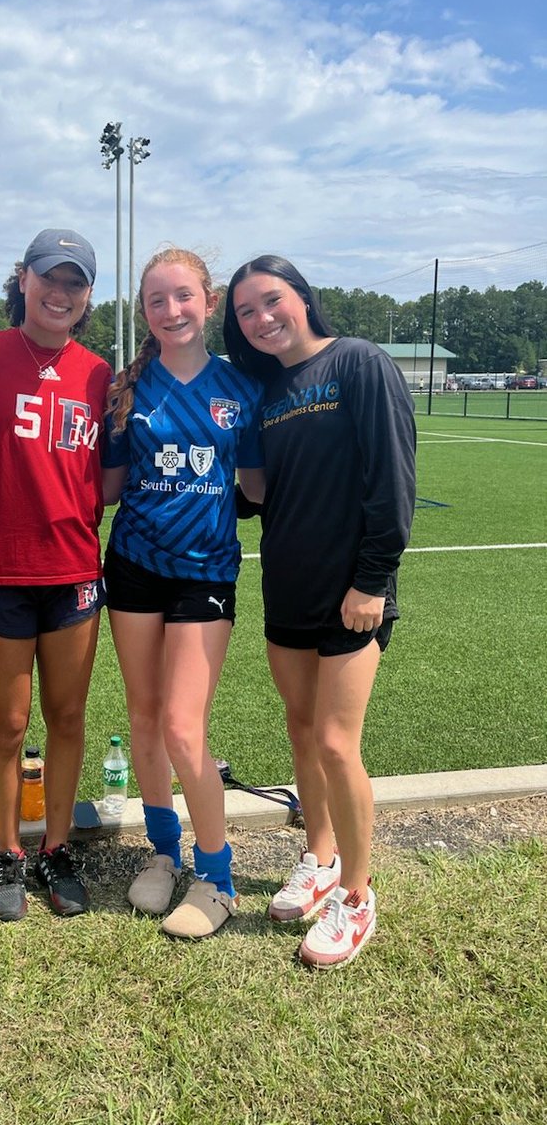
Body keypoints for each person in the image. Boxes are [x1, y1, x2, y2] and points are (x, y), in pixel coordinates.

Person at [223, 254, 416, 968]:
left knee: (337, 743)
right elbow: (261, 494)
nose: (262, 317)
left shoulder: (359, 364)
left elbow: (393, 479)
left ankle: (358, 896)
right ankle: (321, 857)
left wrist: (373, 579)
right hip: (289, 586)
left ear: (302, 297)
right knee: (302, 733)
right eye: (245, 311)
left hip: (353, 593)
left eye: (272, 300)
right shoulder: (268, 391)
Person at [0, 229, 111, 922]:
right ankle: (10, 851)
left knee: (67, 716)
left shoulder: (100, 375)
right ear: (22, 278)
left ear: (88, 296)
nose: (61, 293)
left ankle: (58, 848)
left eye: (75, 283)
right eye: (50, 277)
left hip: (73, 569)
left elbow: (111, 465)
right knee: (9, 723)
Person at [102, 248, 264, 940]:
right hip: (135, 567)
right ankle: (164, 856)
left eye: (183, 297)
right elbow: (107, 489)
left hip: (205, 573)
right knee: (143, 718)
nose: (171, 311)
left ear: (209, 300)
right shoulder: (126, 389)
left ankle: (218, 876)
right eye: (157, 301)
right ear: (145, 313)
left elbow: (257, 487)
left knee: (181, 726)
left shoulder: (242, 387)